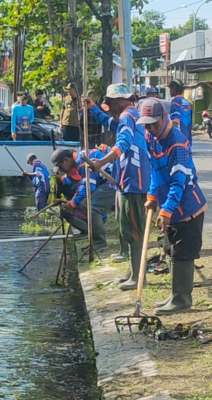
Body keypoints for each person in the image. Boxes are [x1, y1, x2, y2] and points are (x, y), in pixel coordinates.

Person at [137, 98, 207, 315]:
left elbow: (179, 181)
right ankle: (174, 295)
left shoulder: (176, 142)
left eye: (154, 124)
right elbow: (155, 171)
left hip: (186, 207)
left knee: (183, 252)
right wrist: (152, 195)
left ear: (164, 118)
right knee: (171, 249)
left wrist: (167, 209)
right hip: (169, 202)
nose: (150, 128)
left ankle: (182, 300)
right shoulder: (150, 137)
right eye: (146, 124)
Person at [84, 83, 152, 291]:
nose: (109, 106)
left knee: (134, 228)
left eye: (111, 102)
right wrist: (91, 107)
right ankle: (134, 272)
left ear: (121, 100)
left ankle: (139, 277)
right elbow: (108, 122)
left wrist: (100, 163)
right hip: (129, 179)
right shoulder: (128, 116)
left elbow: (122, 144)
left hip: (134, 179)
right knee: (129, 226)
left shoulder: (127, 117)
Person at [51, 148, 116, 251]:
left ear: (66, 160)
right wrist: (73, 201)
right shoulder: (81, 159)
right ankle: (92, 235)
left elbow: (89, 186)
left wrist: (73, 204)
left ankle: (99, 242)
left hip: (112, 181)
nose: (63, 170)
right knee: (86, 204)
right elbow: (83, 186)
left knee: (93, 208)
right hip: (107, 181)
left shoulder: (82, 163)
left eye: (61, 166)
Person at [168, 79, 193, 145]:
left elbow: (175, 121)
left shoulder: (175, 102)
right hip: (187, 138)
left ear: (174, 88)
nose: (170, 91)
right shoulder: (186, 102)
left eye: (170, 89)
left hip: (179, 139)